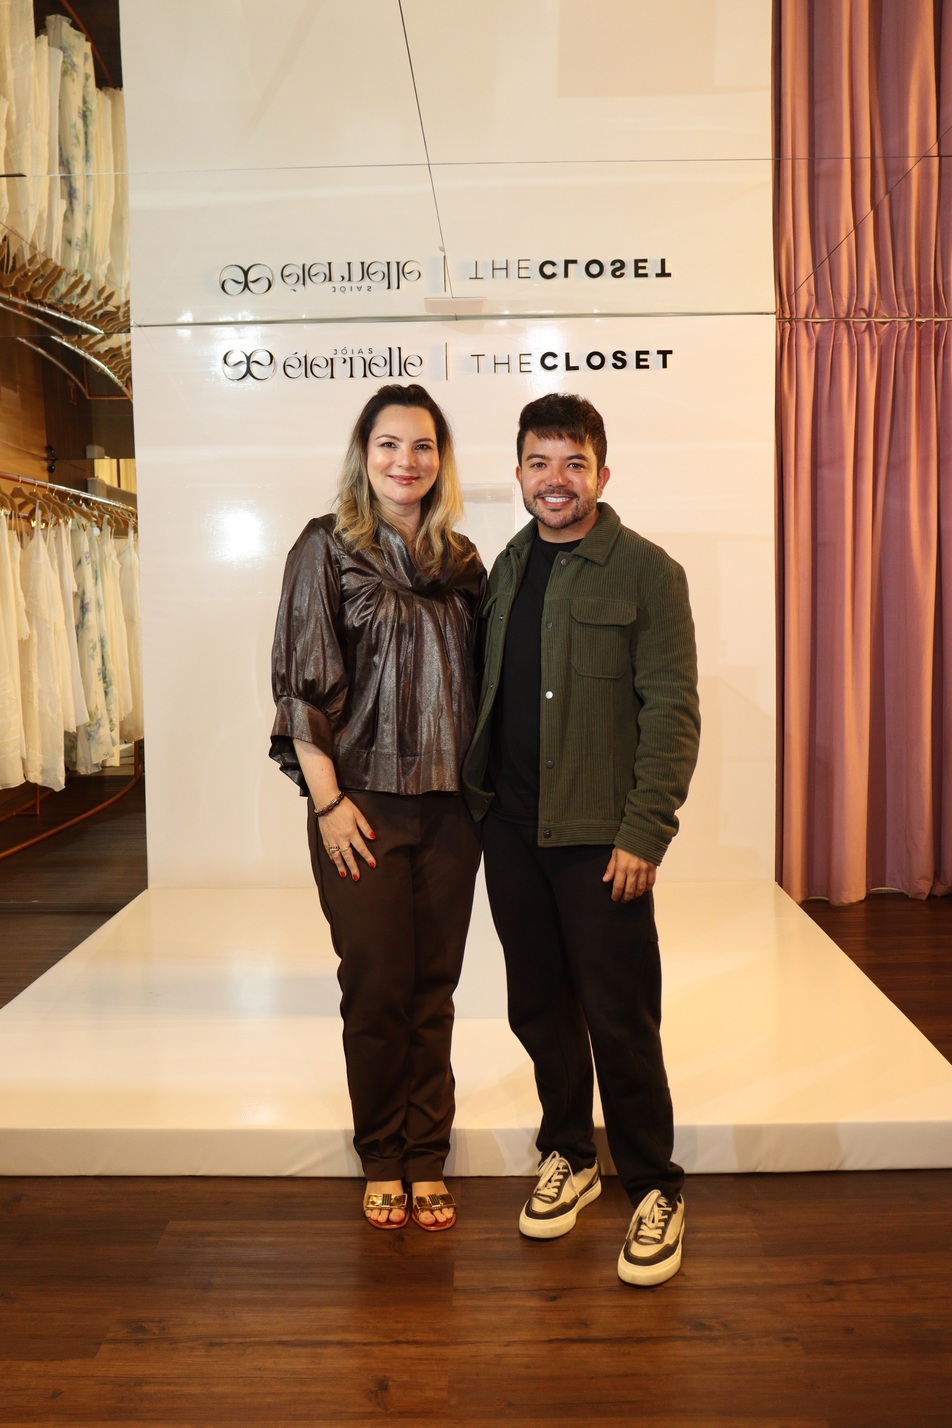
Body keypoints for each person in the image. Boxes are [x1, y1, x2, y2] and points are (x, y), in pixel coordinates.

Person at [462, 392, 700, 1284]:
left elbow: (672, 711)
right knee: (539, 1008)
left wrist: (646, 831)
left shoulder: (648, 572)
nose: (554, 480)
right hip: (511, 832)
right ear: (519, 473)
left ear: (602, 472)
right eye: (539, 463)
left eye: (573, 463)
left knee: (620, 1016)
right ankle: (568, 1153)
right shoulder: (507, 566)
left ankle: (654, 1185)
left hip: (604, 840)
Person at [271, 383, 485, 1232]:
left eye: (423, 445)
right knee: (375, 987)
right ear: (364, 455)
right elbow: (301, 687)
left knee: (434, 987)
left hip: (451, 811)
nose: (407, 461)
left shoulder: (462, 561)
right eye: (389, 444)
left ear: (441, 459)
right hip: (359, 808)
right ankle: (381, 1154)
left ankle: (426, 1154)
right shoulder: (326, 548)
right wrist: (327, 805)